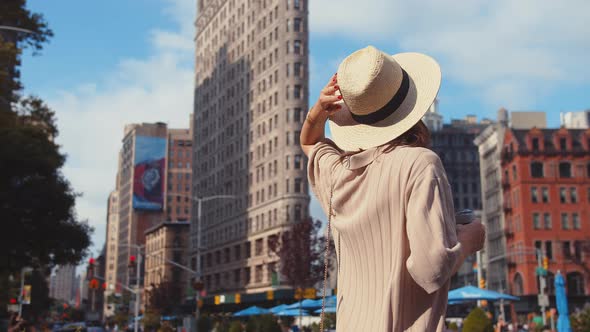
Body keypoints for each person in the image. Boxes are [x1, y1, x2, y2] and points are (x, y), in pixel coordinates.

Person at [300, 46, 486, 331]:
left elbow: (310, 143)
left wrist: (317, 112)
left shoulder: (338, 175)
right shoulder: (420, 164)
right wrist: (468, 239)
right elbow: (431, 270)